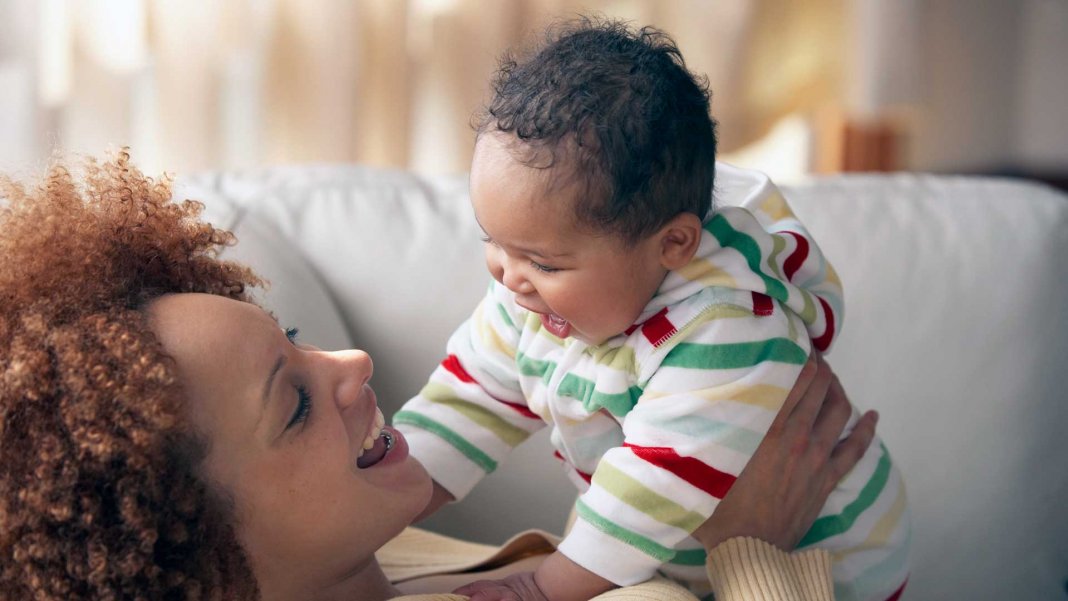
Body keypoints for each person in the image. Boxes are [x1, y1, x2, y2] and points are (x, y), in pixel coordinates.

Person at [0, 153, 877, 600]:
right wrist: (756, 544)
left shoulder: (374, 555)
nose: (352, 363)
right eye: (297, 402)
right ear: (200, 559)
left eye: (298, 338)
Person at [393, 19, 909, 601]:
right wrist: (381, 501)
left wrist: (540, 589)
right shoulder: (529, 299)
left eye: (544, 262)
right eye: (493, 241)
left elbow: (650, 489)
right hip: (669, 555)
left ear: (673, 245)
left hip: (829, 568)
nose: (507, 276)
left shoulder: (726, 323)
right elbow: (467, 399)